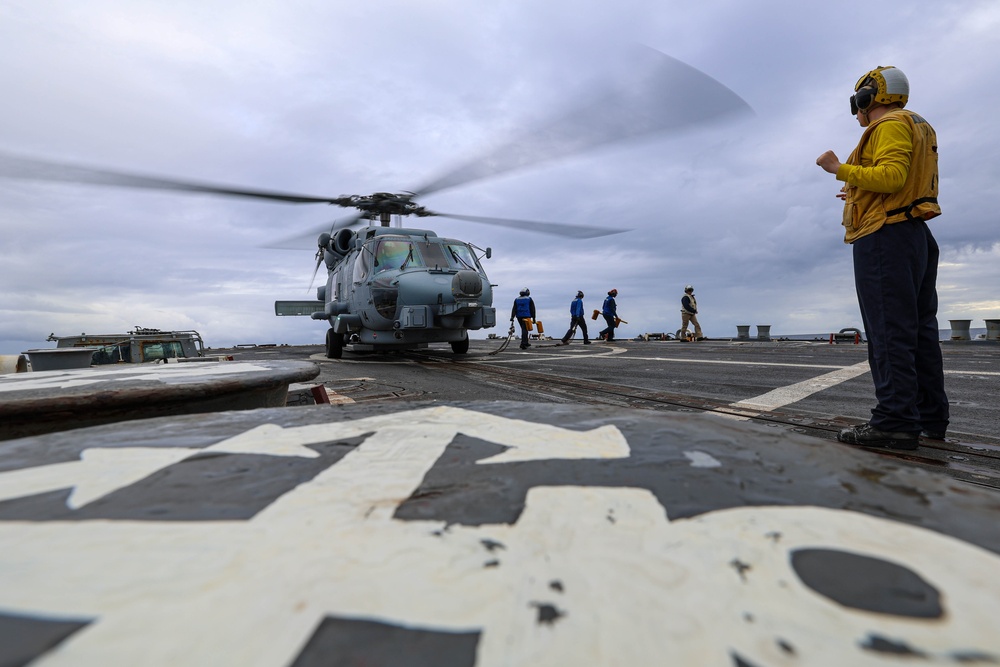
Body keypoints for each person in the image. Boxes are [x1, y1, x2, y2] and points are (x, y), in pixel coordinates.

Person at [816, 65, 948, 450]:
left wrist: (838, 169)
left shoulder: (889, 124)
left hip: (885, 237)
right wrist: (858, 187)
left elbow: (891, 176)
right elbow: (901, 181)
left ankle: (894, 422)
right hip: (914, 235)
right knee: (920, 331)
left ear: (867, 97)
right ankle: (930, 417)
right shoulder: (917, 123)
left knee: (889, 332)